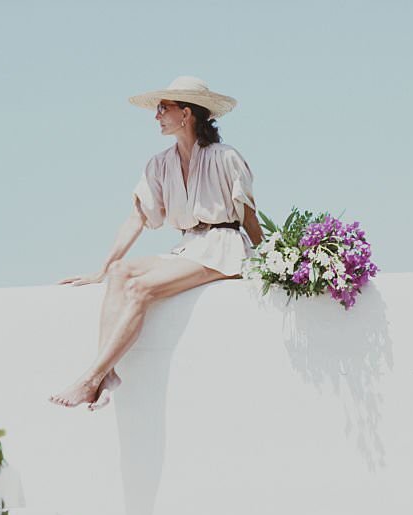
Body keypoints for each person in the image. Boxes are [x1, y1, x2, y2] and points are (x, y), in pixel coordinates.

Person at [49, 76, 263, 410]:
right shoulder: (160, 164)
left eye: (164, 108)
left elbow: (249, 215)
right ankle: (107, 375)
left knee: (141, 289)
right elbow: (137, 218)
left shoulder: (225, 157)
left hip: (223, 247)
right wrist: (101, 271)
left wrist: (265, 258)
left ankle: (91, 378)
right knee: (121, 273)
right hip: (189, 247)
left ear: (187, 114)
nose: (157, 115)